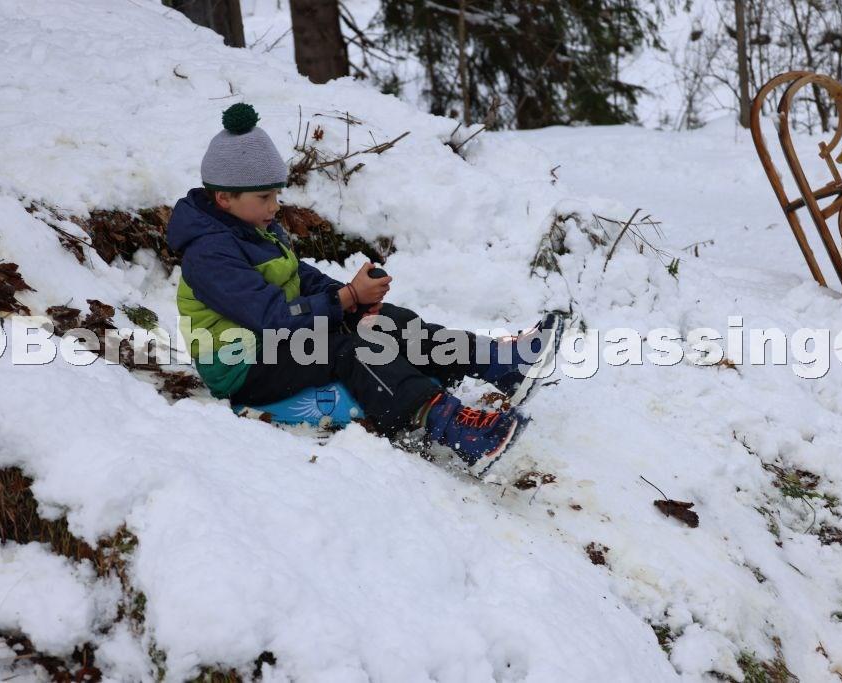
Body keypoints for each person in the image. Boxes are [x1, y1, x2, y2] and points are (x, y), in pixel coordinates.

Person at [166, 103, 555, 473]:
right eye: (264, 197)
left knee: (386, 322)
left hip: (273, 342)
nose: (275, 206)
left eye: (277, 194)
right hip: (242, 363)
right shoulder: (209, 254)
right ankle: (453, 427)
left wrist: (353, 302)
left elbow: (299, 277)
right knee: (348, 349)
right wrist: (345, 298)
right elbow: (271, 317)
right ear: (224, 197)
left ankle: (499, 363)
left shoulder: (251, 227)